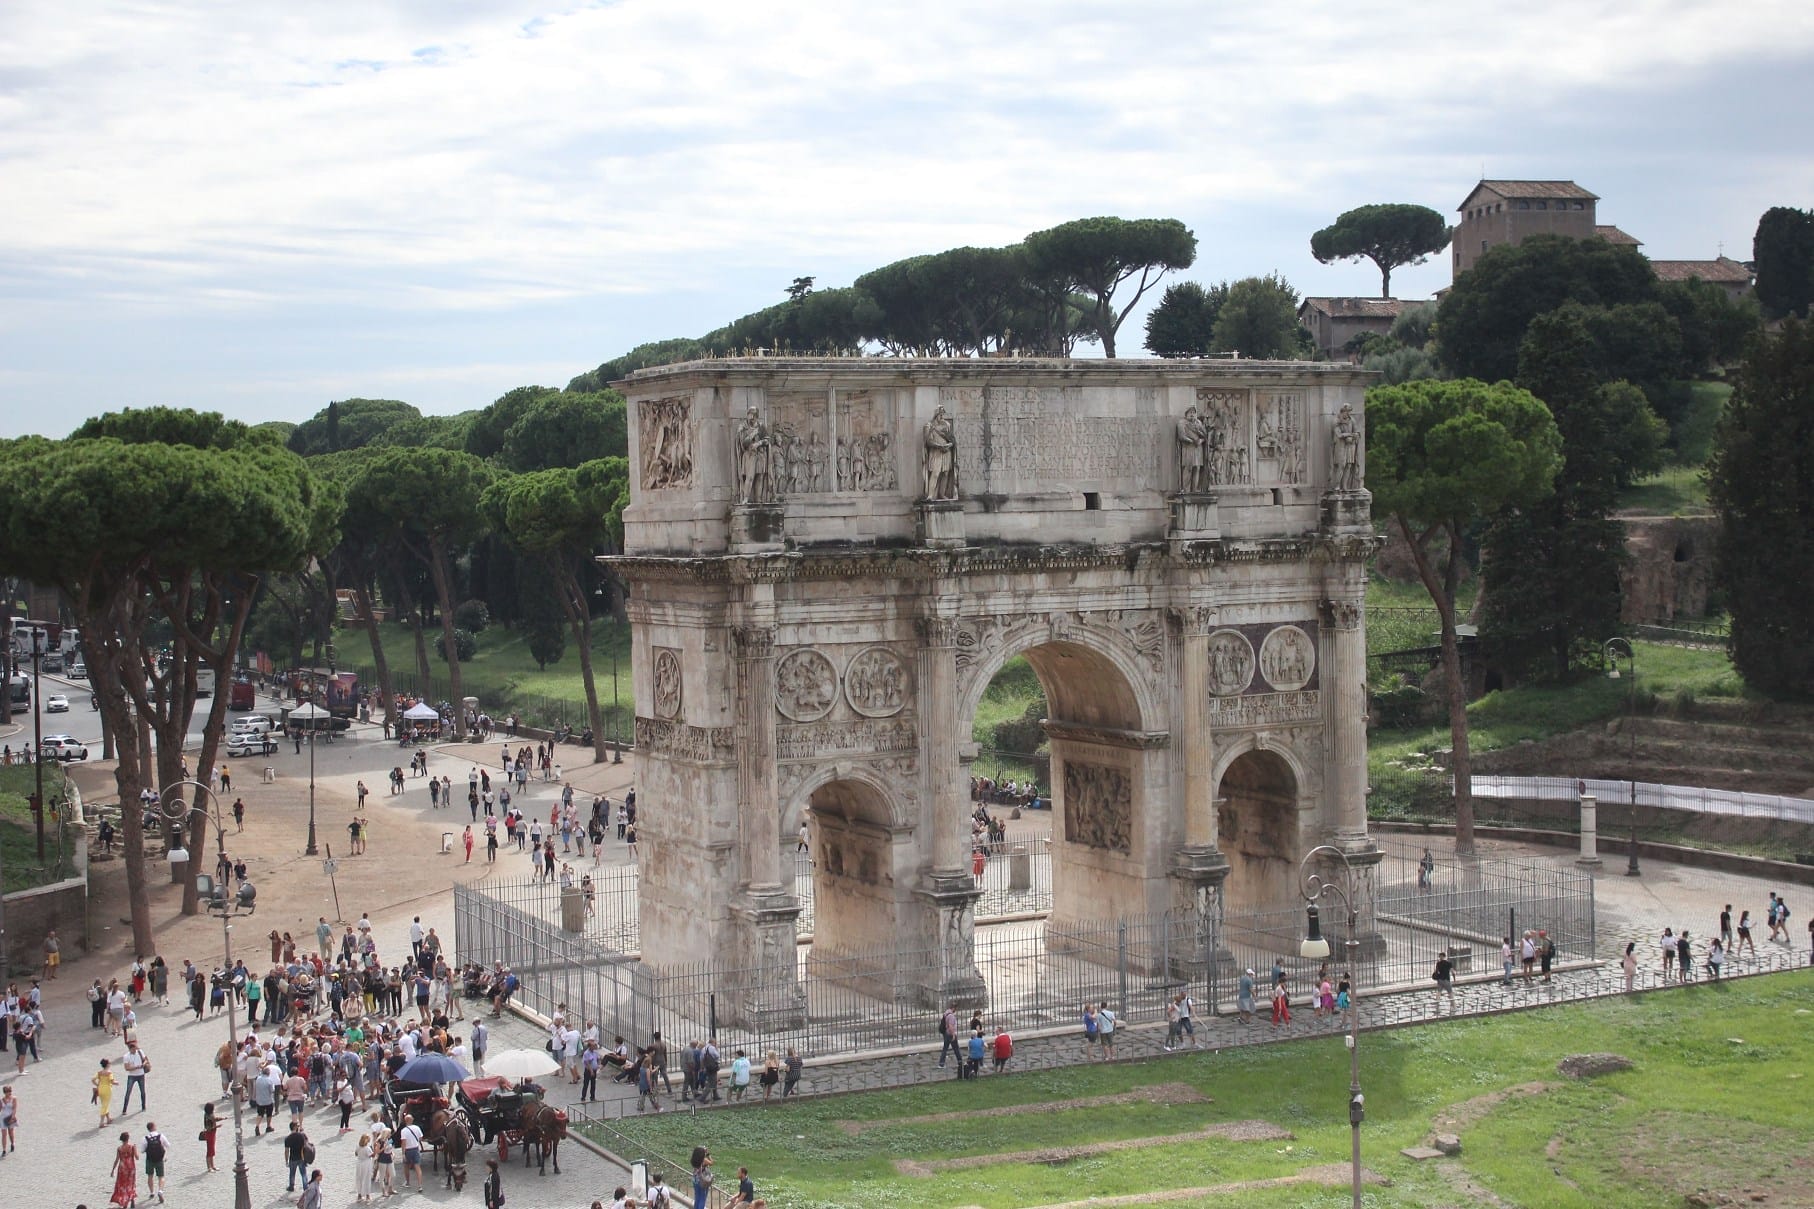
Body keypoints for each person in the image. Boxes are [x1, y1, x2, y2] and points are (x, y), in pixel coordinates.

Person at [141, 1121, 170, 1203]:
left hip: (149, 1159)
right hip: (159, 1159)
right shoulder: (160, 1136)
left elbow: (142, 1150)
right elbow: (168, 1145)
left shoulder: (145, 1138)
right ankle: (160, 1191)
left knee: (150, 1176)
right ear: (154, 1127)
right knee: (161, 1176)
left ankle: (151, 1192)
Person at [110, 1130, 139, 1209]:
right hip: (131, 1168)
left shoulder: (119, 1148)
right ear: (128, 1138)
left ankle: (124, 1202)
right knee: (131, 1184)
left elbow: (117, 1160)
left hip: (122, 1169)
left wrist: (113, 1170)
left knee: (123, 1185)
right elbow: (137, 1157)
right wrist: (136, 1149)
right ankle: (131, 1199)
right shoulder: (132, 1146)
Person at [284, 1120, 312, 1192]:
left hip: (292, 1159)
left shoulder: (288, 1138)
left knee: (292, 1173)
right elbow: (306, 1145)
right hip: (301, 1158)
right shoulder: (301, 1136)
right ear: (295, 1127)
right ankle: (305, 1187)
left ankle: (291, 1186)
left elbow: (287, 1151)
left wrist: (286, 1161)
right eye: (298, 1126)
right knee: (303, 1174)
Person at [95, 1059, 118, 1126]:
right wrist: (117, 1083)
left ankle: (108, 1118)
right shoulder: (109, 1073)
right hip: (107, 1089)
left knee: (104, 1104)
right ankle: (101, 1122)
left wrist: (97, 1085)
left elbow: (93, 1079)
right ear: (107, 1064)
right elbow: (112, 1081)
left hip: (100, 1089)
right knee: (105, 1105)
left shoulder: (99, 1072)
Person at [0, 1083, 15, 1156]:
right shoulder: (1, 1100)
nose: (9, 1092)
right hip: (3, 1118)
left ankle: (12, 1143)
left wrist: (13, 1116)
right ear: (4, 1092)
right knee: (3, 1134)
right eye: (7, 1091)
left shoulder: (14, 1099)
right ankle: (4, 1150)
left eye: (10, 1091)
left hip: (10, 1117)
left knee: (11, 1133)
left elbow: (15, 1108)